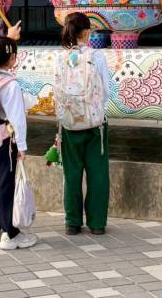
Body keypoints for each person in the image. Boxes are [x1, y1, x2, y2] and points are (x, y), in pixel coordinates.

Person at [0, 36, 38, 250]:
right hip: (5, 139)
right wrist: (22, 146)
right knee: (4, 185)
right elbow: (17, 118)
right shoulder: (10, 84)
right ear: (12, 57)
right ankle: (10, 234)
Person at [53, 13, 111, 235]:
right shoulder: (96, 56)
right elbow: (105, 91)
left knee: (72, 173)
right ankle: (96, 223)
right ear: (86, 32)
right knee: (97, 173)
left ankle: (72, 222)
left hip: (69, 124)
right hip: (95, 123)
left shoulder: (60, 58)